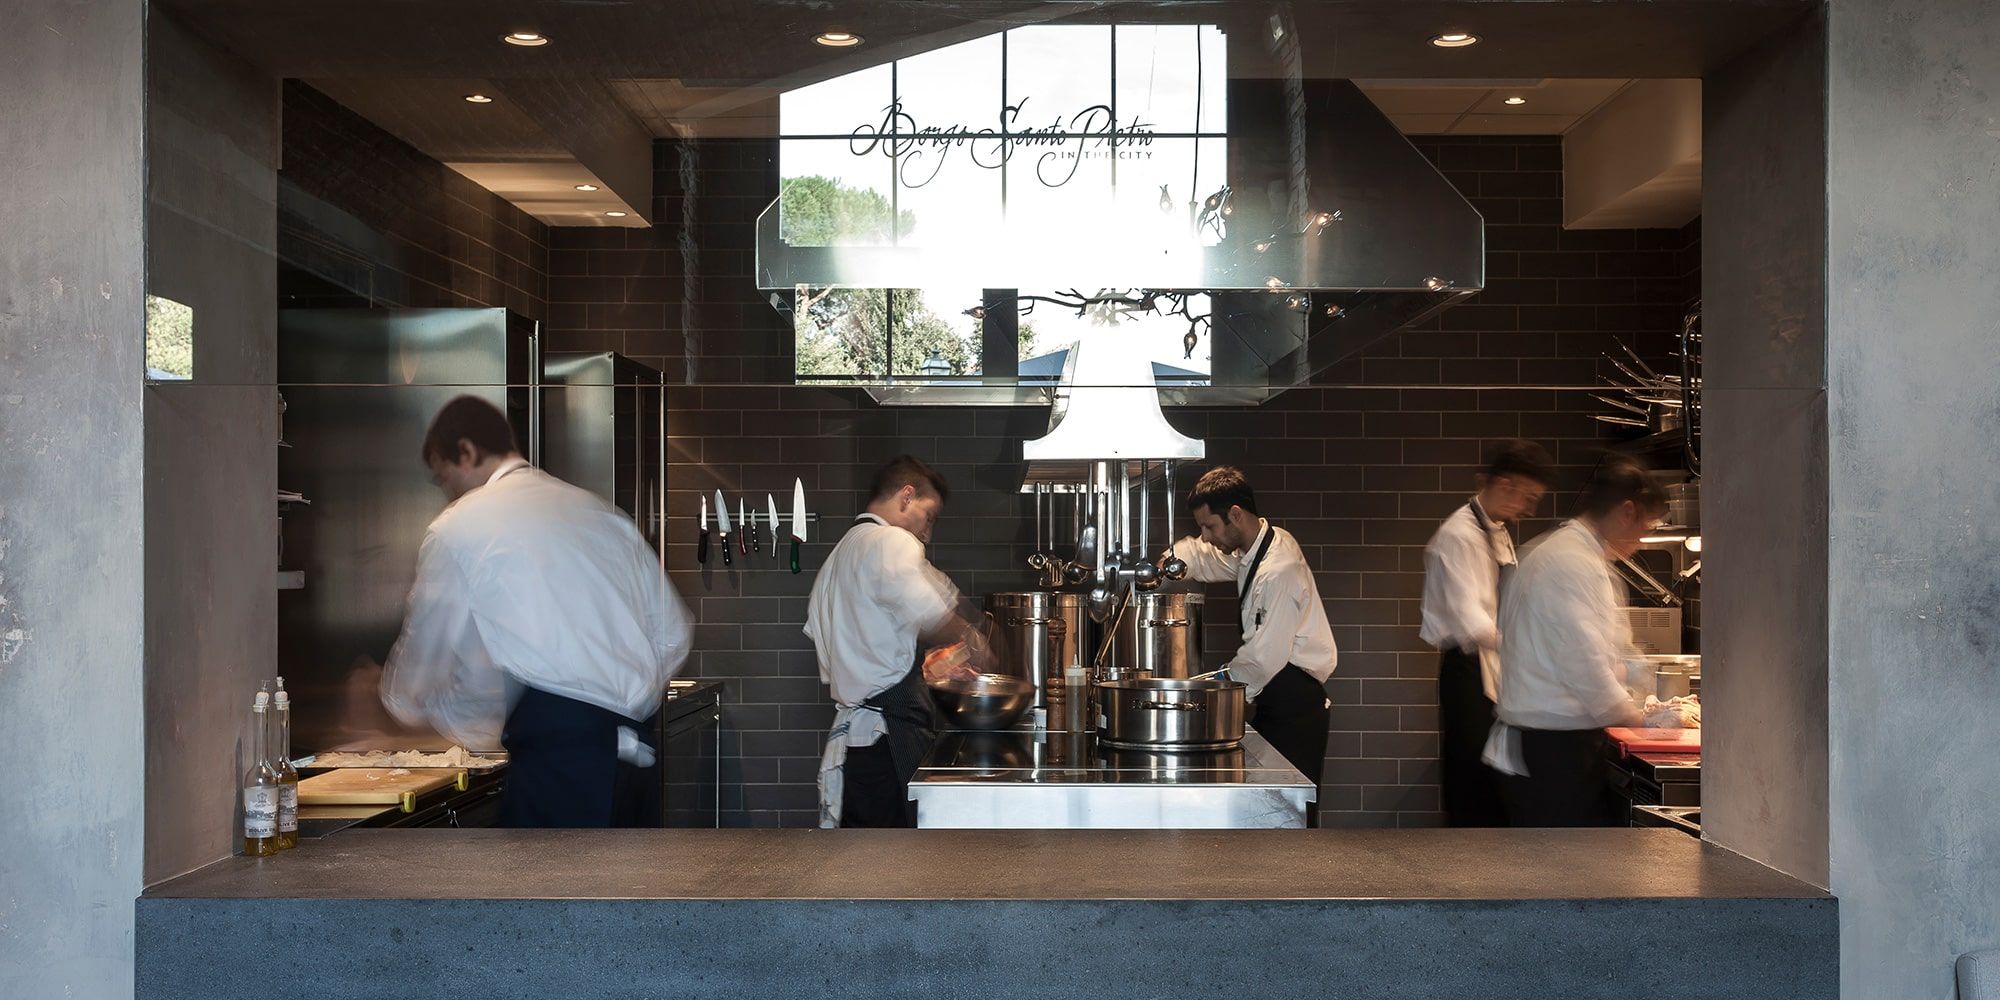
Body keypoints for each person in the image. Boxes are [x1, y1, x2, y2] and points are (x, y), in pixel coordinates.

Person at [378, 396, 691, 828]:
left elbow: (426, 659)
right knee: (630, 895)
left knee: (548, 896)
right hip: (635, 759)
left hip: (560, 768)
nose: (445, 490)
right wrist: (620, 699)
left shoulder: (459, 527)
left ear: (466, 451)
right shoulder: (599, 512)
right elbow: (673, 632)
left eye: (442, 475)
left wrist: (395, 707)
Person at [805, 455, 992, 828]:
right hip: (885, 745)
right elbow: (931, 611)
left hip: (859, 746)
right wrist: (978, 645)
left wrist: (924, 662)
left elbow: (864, 645)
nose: (927, 532)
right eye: (929, 517)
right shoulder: (889, 540)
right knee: (895, 867)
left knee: (867, 866)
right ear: (906, 497)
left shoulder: (841, 553)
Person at [1487, 455, 1662, 827]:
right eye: (1645, 526)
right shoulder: (1570, 563)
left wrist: (1640, 679)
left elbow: (1610, 647)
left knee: (1554, 875)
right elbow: (1585, 667)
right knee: (1559, 876)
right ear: (1626, 512)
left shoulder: (1564, 552)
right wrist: (1641, 721)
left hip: (1551, 747)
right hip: (1554, 752)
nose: (1643, 540)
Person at [1165, 466, 1337, 789]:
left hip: (1296, 707)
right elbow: (1205, 557)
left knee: (1292, 814)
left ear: (1235, 514)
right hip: (1277, 700)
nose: (1205, 535)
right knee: (1272, 813)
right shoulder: (1259, 545)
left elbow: (1262, 660)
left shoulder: (1277, 571)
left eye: (1210, 526)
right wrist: (1166, 563)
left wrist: (1211, 685)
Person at [1420, 440, 1554, 827]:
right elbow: (1471, 620)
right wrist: (1533, 648)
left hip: (1491, 669)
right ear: (1505, 484)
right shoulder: (1459, 535)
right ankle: (1469, 876)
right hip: (1468, 671)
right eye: (1528, 497)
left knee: (1493, 782)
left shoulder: (1494, 529)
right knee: (1472, 782)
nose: (1529, 508)